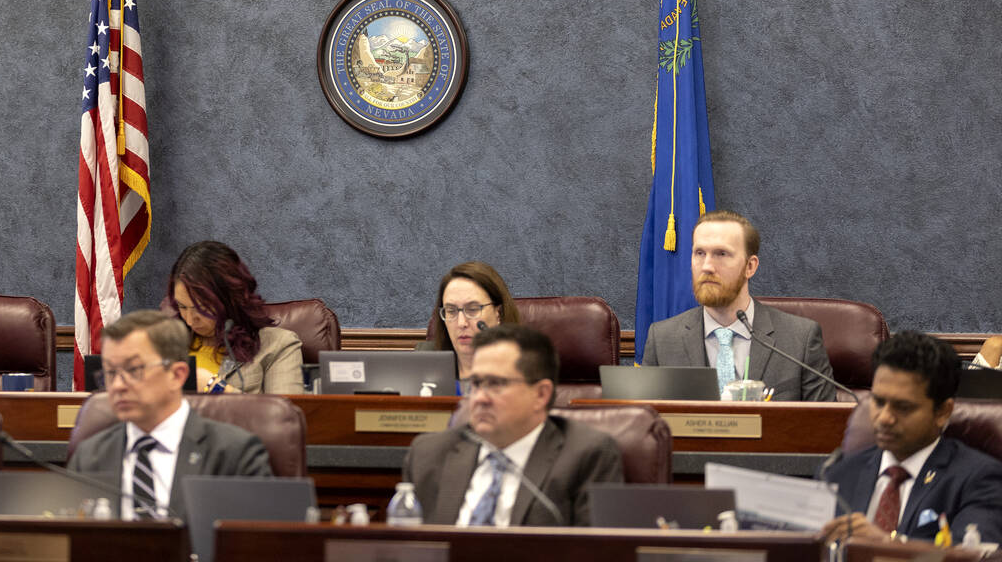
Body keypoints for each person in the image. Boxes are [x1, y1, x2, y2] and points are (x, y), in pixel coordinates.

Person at [402, 324, 623, 526]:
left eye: (496, 384)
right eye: (476, 384)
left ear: (541, 395)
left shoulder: (587, 456)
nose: (480, 398)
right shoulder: (428, 455)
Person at [68, 310, 272, 520]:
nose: (118, 385)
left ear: (177, 375)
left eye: (133, 370)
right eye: (110, 373)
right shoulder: (90, 456)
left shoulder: (233, 452)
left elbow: (257, 545)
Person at [819, 331, 1002, 545]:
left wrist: (887, 546)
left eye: (903, 407)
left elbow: (972, 556)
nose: (885, 418)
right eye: (878, 402)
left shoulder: (979, 479)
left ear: (943, 412)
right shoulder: (837, 473)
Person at [642, 210, 836, 401]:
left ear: (750, 266)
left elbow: (826, 427)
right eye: (699, 253)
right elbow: (645, 425)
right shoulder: (663, 340)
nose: (707, 266)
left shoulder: (800, 339)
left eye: (721, 254)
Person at [164, 242, 303, 394]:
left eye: (202, 308)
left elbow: (285, 414)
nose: (190, 320)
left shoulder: (278, 345)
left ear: (231, 300)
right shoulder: (165, 345)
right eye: (182, 307)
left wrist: (215, 387)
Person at [422, 261, 523, 378]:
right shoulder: (425, 362)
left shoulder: (525, 368)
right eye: (451, 311)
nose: (461, 323)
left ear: (498, 313)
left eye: (473, 309)